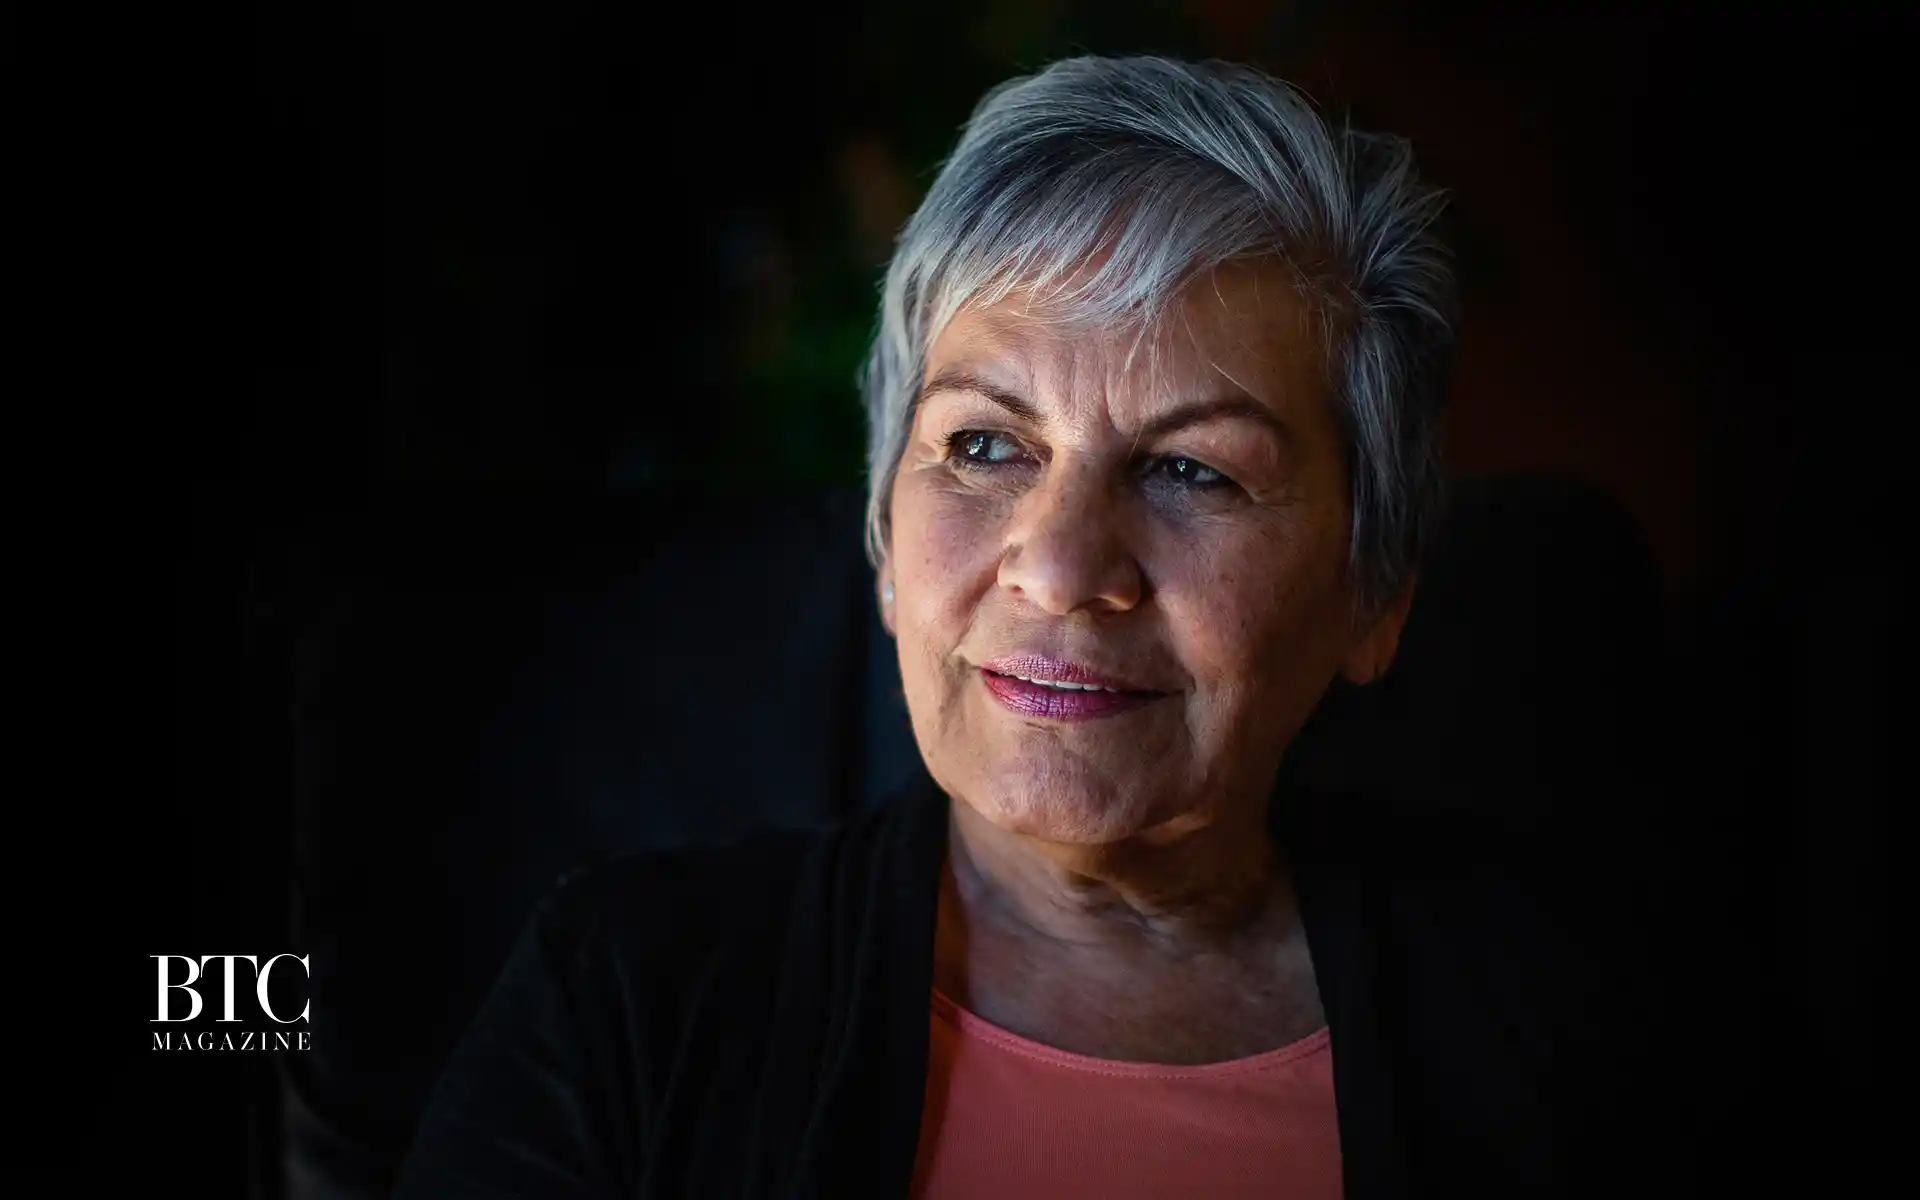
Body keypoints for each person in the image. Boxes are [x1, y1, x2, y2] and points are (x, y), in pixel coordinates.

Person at [394, 56, 1690, 1198]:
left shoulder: (1589, 1036)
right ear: (885, 541)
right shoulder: (625, 997)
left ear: (1374, 594)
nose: (1064, 568)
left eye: (1193, 470)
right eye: (983, 445)